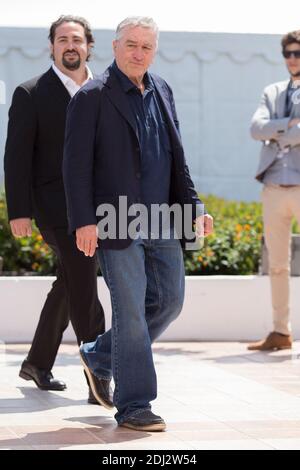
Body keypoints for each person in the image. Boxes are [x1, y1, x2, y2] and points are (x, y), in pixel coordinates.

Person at [63, 16, 213, 431]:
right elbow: (75, 167)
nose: (139, 53)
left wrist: (195, 207)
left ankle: (97, 356)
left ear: (154, 51)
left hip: (164, 216)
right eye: (131, 45)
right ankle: (134, 405)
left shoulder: (162, 89)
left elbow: (175, 157)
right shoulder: (91, 96)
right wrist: (83, 221)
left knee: (169, 301)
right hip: (115, 220)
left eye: (147, 47)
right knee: (130, 311)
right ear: (114, 47)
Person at [4, 15, 105, 402]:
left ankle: (37, 362)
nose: (70, 45)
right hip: (54, 208)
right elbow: (16, 157)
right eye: (62, 39)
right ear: (51, 46)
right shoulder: (30, 93)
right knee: (83, 280)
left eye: (77, 39)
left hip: (101, 208)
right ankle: (101, 373)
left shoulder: (105, 89)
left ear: (88, 46)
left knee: (70, 281)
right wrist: (19, 210)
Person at [249, 30, 300, 351]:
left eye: (298, 53)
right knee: (278, 264)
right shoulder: (273, 90)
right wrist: (288, 126)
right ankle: (281, 331)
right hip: (273, 187)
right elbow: (256, 128)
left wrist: (275, 130)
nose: (293, 59)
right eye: (289, 53)